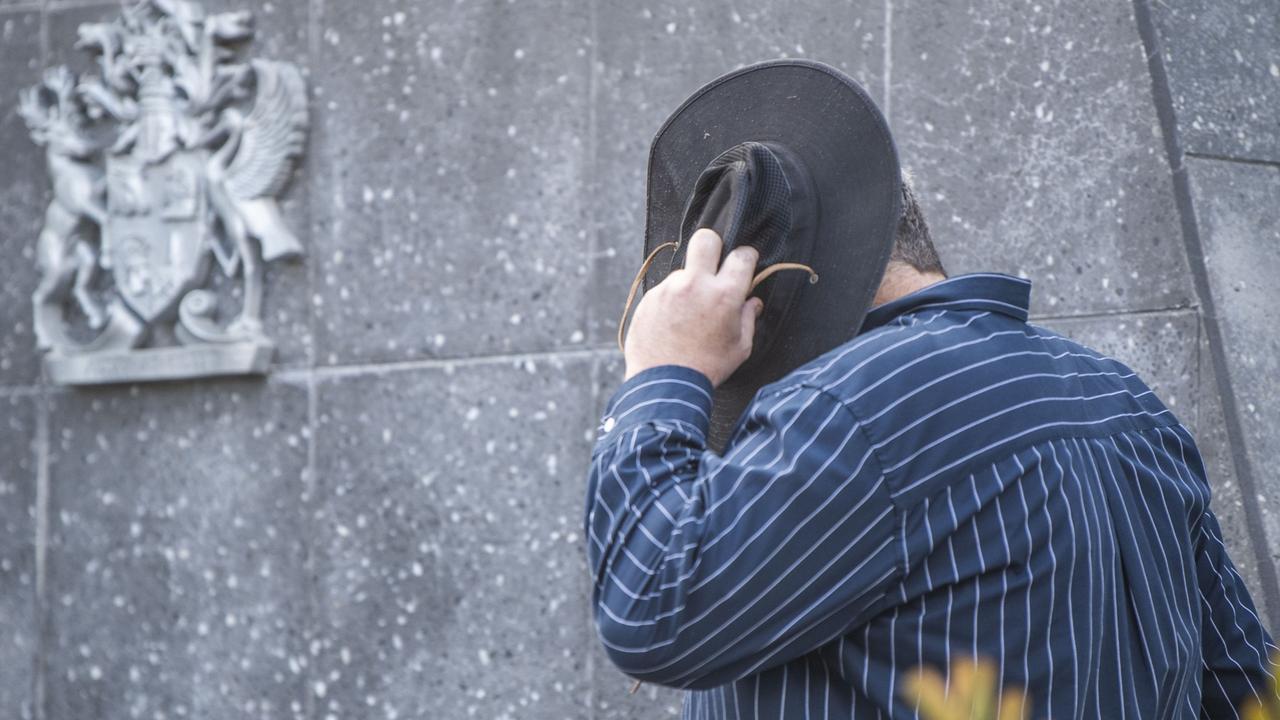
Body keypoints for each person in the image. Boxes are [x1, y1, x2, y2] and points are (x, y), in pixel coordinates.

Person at [583, 177, 1278, 718]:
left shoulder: (847, 408)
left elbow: (651, 608)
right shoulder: (1123, 398)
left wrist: (663, 370)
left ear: (760, 285)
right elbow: (1246, 688)